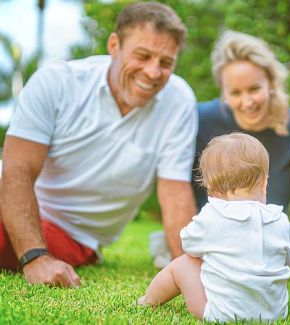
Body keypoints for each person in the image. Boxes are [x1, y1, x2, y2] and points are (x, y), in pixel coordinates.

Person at [0, 1, 197, 287]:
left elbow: (174, 191)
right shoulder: (57, 81)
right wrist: (35, 258)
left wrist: (191, 269)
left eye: (166, 63)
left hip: (67, 231)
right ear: (114, 45)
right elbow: (17, 170)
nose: (153, 72)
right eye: (142, 56)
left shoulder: (179, 100)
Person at [139, 133, 290, 322]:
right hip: (275, 316)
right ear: (264, 183)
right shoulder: (279, 219)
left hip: (221, 316)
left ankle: (147, 300)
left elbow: (189, 246)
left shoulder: (211, 216)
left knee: (183, 264)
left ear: (209, 188)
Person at [193, 30, 290, 211]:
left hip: (268, 235)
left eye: (254, 89)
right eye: (235, 93)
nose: (247, 102)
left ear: (271, 83)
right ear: (224, 94)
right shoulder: (199, 120)